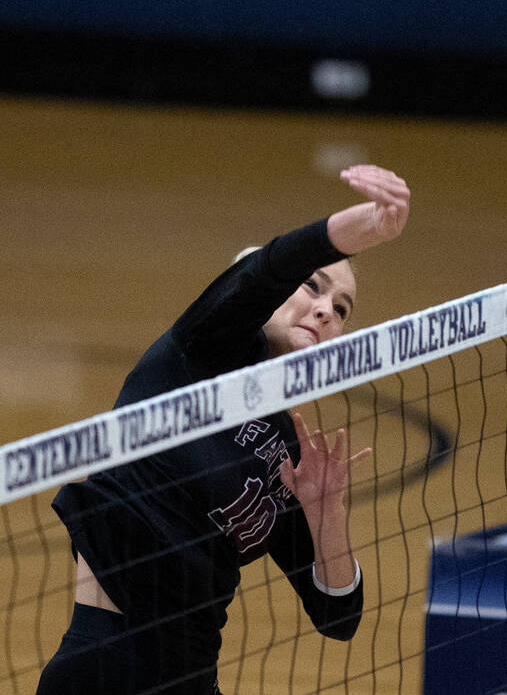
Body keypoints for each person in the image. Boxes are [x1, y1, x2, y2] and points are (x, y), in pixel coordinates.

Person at [37, 165, 411, 694]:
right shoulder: (199, 353)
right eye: (313, 287)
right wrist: (358, 229)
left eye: (342, 308)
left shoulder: (287, 449)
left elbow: (338, 616)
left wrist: (326, 514)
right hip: (107, 667)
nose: (326, 309)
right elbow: (265, 271)